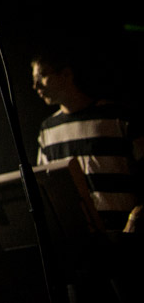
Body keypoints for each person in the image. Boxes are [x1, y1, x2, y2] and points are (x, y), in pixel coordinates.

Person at [31, 43, 143, 233]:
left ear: (66, 74)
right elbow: (47, 191)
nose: (36, 86)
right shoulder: (47, 130)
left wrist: (134, 220)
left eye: (41, 76)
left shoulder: (118, 117)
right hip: (81, 242)